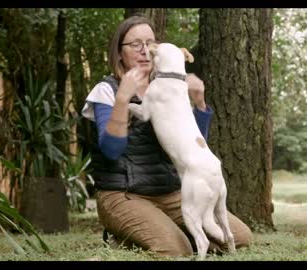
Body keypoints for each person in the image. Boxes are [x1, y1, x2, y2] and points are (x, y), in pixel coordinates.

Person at [81, 15, 252, 258]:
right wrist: (123, 99)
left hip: (170, 193)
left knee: (240, 237)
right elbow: (111, 151)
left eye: (150, 42)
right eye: (135, 44)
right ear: (119, 53)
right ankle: (134, 234)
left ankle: (160, 232)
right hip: (124, 194)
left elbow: (192, 143)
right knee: (174, 249)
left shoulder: (166, 86)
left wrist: (199, 103)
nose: (145, 50)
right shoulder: (106, 90)